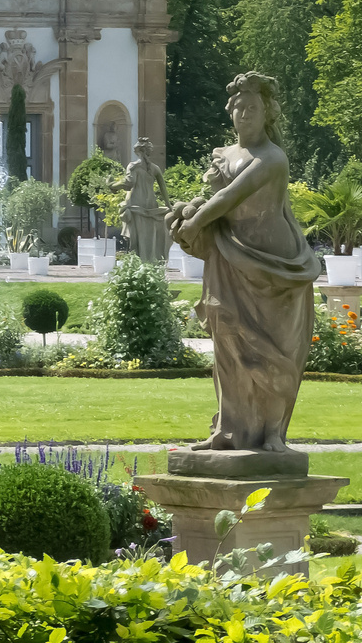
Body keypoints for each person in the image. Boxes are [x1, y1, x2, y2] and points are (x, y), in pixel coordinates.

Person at [167, 72, 320, 454]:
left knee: (275, 350)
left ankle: (271, 434)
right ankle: (227, 430)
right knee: (228, 342)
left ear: (267, 113)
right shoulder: (226, 155)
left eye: (253, 108)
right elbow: (216, 202)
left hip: (274, 268)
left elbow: (232, 196)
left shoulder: (272, 158)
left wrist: (194, 221)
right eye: (238, 108)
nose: (244, 114)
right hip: (230, 258)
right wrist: (191, 213)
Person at [111, 136, 170, 262]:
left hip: (136, 203)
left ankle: (137, 264)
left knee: (136, 237)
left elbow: (128, 183)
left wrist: (112, 185)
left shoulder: (133, 166)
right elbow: (163, 189)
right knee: (149, 237)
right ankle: (150, 263)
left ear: (137, 152)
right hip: (151, 205)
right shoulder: (155, 168)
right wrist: (168, 205)